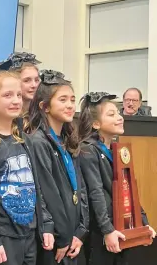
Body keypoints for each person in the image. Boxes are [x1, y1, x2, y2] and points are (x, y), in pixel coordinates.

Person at [0, 66, 55, 265]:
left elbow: (36, 188)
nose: (16, 100)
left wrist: (46, 223)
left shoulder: (25, 141)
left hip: (29, 234)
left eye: (18, 94)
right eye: (7, 95)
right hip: (2, 237)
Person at [78, 92, 156, 265]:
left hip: (120, 230)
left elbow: (128, 189)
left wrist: (143, 224)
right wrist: (107, 230)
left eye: (118, 113)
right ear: (96, 124)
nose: (120, 118)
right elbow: (95, 193)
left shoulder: (117, 149)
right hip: (101, 234)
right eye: (111, 114)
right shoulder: (88, 150)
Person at [25, 70, 89, 265]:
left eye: (72, 99)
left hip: (74, 236)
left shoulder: (68, 140)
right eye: (62, 100)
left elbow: (81, 188)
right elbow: (46, 193)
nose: (70, 105)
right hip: (55, 238)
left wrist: (81, 231)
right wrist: (62, 235)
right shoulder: (37, 141)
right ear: (44, 106)